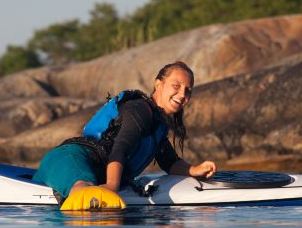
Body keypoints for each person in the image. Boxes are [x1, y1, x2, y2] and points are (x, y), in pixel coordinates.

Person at [33, 61, 216, 209]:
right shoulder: (139, 110)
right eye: (176, 86)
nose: (182, 93)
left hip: (92, 172)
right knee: (85, 191)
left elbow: (170, 162)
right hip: (71, 160)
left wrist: (195, 169)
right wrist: (112, 187)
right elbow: (120, 149)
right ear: (158, 84)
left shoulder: (158, 125)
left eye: (188, 90)